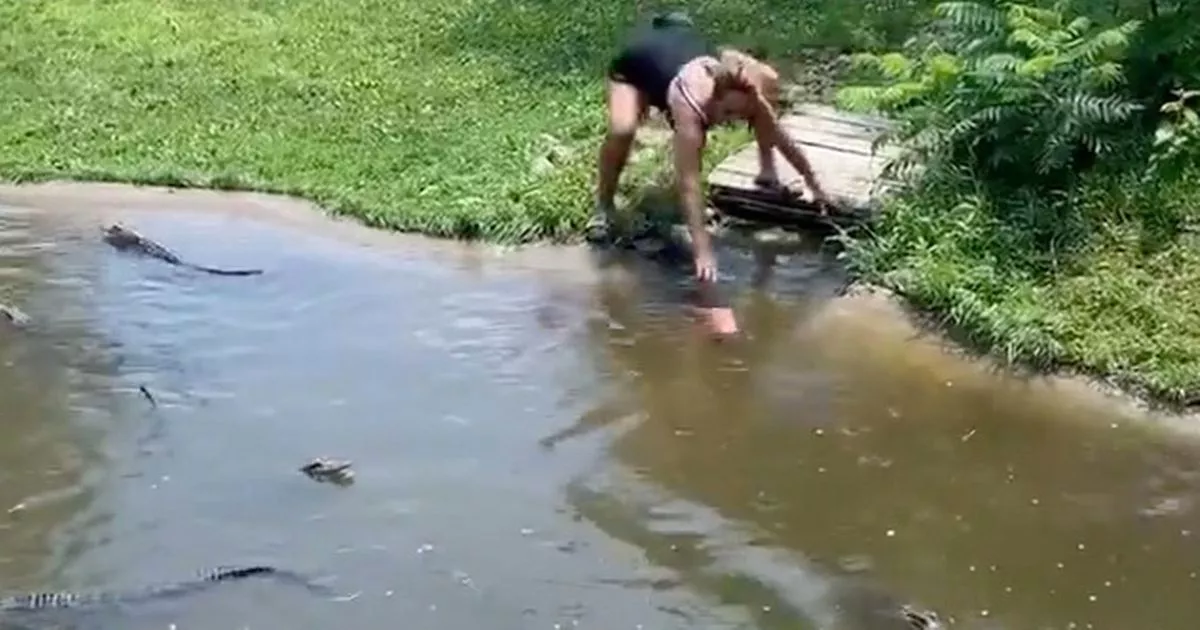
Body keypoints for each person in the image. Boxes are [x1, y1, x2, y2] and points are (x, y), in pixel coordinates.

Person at [592, 12, 833, 287]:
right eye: (727, 112)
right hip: (634, 68)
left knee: (767, 86)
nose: (730, 119)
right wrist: (702, 250)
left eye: (739, 115)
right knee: (623, 130)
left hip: (679, 51)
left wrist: (814, 185)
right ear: (713, 98)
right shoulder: (690, 106)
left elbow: (783, 140)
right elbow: (689, 182)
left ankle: (767, 172)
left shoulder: (748, 95)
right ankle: (604, 206)